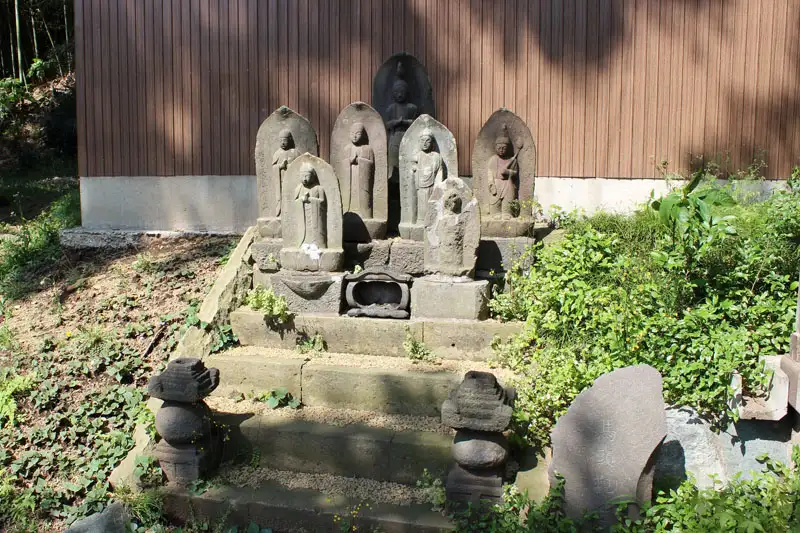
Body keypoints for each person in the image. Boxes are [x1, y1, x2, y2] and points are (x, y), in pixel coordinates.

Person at [411, 129, 444, 224]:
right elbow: (413, 169)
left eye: (427, 141)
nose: (425, 143)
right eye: (422, 141)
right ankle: (420, 221)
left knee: (432, 204)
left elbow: (439, 173)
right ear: (419, 142)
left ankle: (432, 222)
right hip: (420, 186)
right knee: (421, 207)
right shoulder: (417, 156)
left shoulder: (436, 157)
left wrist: (438, 187)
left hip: (432, 185)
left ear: (432, 143)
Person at [486, 128, 519, 218]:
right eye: (499, 148)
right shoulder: (493, 159)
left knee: (508, 202)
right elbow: (490, 173)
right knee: (495, 203)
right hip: (496, 184)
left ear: (507, 148)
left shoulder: (512, 160)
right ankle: (496, 213)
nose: (501, 150)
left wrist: (508, 172)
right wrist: (491, 184)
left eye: (504, 148)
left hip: (508, 184)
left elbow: (515, 174)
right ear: (495, 148)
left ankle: (506, 213)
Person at [345, 122, 375, 217]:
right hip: (351, 177)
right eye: (352, 133)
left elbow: (371, 164)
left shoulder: (368, 149)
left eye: (358, 133)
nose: (354, 136)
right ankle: (348, 211)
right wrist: (349, 161)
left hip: (362, 178)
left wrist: (359, 160)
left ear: (363, 135)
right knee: (351, 194)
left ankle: (364, 213)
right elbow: (342, 164)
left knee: (363, 195)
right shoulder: (347, 149)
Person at [294, 163, 327, 248]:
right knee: (305, 232)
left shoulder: (319, 188)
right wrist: (301, 200)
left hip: (316, 217)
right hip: (303, 217)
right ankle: (304, 243)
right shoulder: (299, 189)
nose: (304, 179)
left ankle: (318, 244)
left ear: (313, 176)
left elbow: (322, 201)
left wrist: (309, 199)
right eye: (302, 176)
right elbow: (295, 202)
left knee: (316, 231)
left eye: (307, 176)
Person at [272, 129, 299, 216]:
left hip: (292, 181)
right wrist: (280, 166)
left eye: (285, 140)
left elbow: (300, 166)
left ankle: (293, 214)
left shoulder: (295, 153)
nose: (283, 143)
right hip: (281, 181)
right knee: (283, 197)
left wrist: (291, 167)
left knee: (292, 196)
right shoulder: (277, 153)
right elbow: (273, 168)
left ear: (290, 140)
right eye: (281, 141)